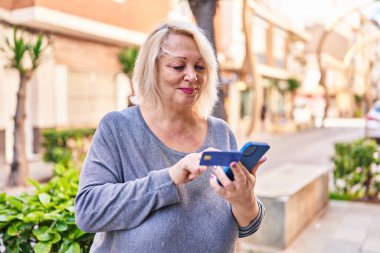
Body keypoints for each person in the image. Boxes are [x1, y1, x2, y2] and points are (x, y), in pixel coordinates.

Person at [74, 21, 266, 253]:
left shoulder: (220, 131)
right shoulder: (117, 128)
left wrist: (244, 199)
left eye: (200, 67)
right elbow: (88, 212)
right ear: (152, 70)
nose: (192, 76)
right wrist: (169, 178)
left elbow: (246, 225)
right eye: (178, 66)